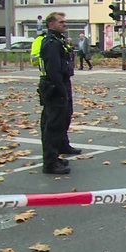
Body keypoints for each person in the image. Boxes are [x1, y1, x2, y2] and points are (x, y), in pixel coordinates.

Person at [38, 12, 81, 175]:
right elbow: (53, 70)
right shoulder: (51, 43)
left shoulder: (58, 40)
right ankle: (50, 162)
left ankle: (60, 149)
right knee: (53, 124)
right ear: (51, 24)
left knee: (63, 118)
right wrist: (61, 91)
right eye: (61, 22)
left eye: (64, 21)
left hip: (61, 83)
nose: (64, 24)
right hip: (54, 86)